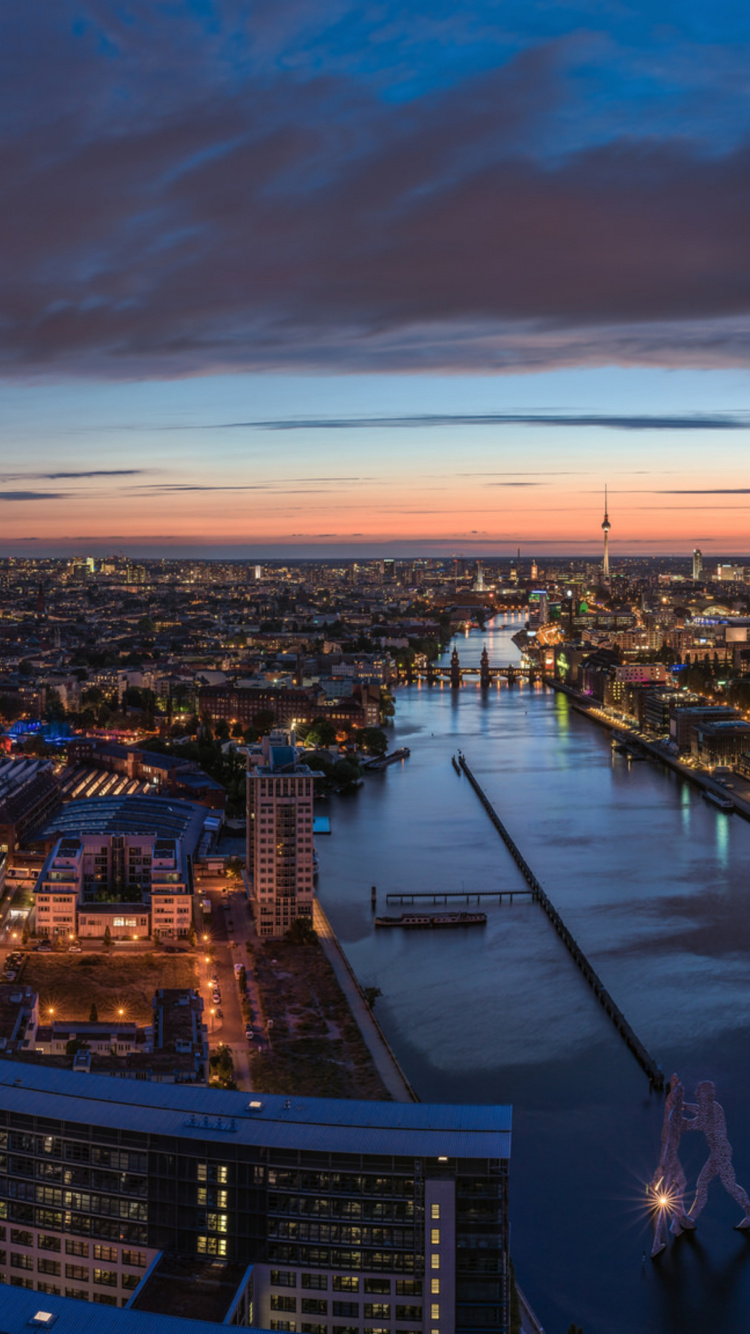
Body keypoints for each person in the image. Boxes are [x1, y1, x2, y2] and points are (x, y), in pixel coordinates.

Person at [684, 1081, 750, 1228]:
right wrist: (685, 1106)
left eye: (700, 1092)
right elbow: (699, 1111)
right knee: (703, 1182)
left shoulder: (712, 1109)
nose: (696, 1095)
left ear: (706, 1094)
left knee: (729, 1185)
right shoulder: (713, 1107)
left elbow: (697, 1123)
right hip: (717, 1152)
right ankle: (691, 1218)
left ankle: (749, 1212)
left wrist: (681, 1123)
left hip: (721, 1152)